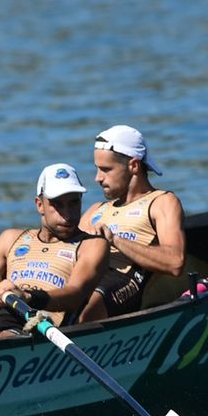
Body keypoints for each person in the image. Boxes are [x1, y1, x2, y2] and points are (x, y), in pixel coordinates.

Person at [0, 163, 109, 344]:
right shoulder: (10, 238)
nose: (67, 214)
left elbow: (75, 295)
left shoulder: (92, 245)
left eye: (74, 202)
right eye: (57, 205)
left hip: (38, 325)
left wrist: (28, 296)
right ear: (40, 205)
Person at [79, 124, 187, 321]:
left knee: (86, 312)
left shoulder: (161, 202)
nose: (97, 178)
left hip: (125, 278)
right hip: (84, 273)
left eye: (105, 170)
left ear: (134, 166)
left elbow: (175, 261)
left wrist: (115, 240)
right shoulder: (95, 210)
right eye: (97, 169)